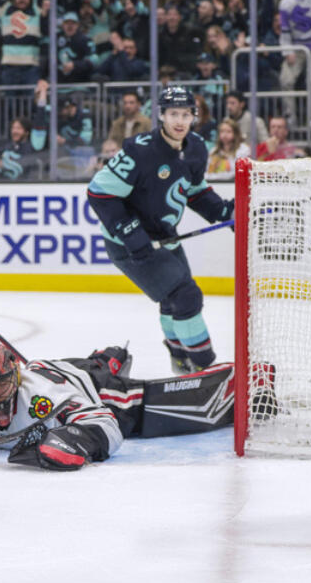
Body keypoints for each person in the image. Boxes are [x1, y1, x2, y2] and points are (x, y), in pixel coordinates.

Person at [0, 342, 241, 470]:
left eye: (3, 383)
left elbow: (104, 420)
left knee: (149, 402)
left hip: (89, 386)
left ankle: (108, 361)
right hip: (55, 368)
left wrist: (75, 439)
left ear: (16, 375)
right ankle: (106, 356)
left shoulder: (42, 395)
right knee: (89, 362)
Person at [87, 87, 233, 373]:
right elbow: (99, 193)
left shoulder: (196, 148)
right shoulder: (139, 151)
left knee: (173, 300)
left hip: (164, 236)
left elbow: (193, 190)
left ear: (194, 116)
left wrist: (222, 211)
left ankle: (181, 360)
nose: (179, 121)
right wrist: (131, 234)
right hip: (128, 244)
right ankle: (205, 368)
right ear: (161, 116)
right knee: (186, 296)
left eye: (186, 114)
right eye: (173, 114)